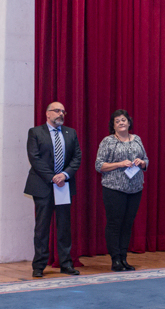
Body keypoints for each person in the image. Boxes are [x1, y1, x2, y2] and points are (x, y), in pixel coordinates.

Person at [25, 102, 82, 277]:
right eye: (57, 111)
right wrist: (52, 177)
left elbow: (77, 157)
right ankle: (39, 266)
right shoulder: (35, 132)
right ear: (47, 113)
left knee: (64, 227)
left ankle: (66, 263)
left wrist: (64, 175)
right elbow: (34, 158)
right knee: (42, 228)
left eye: (63, 111)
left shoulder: (70, 133)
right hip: (43, 185)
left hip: (64, 185)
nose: (61, 114)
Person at [94, 109, 148, 272]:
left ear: (129, 122)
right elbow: (99, 165)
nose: (121, 123)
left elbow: (146, 160)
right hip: (114, 189)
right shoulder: (108, 141)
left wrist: (141, 162)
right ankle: (115, 259)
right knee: (115, 224)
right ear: (113, 126)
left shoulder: (137, 139)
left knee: (127, 224)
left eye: (123, 120)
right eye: (117, 121)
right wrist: (119, 164)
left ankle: (124, 258)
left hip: (135, 189)